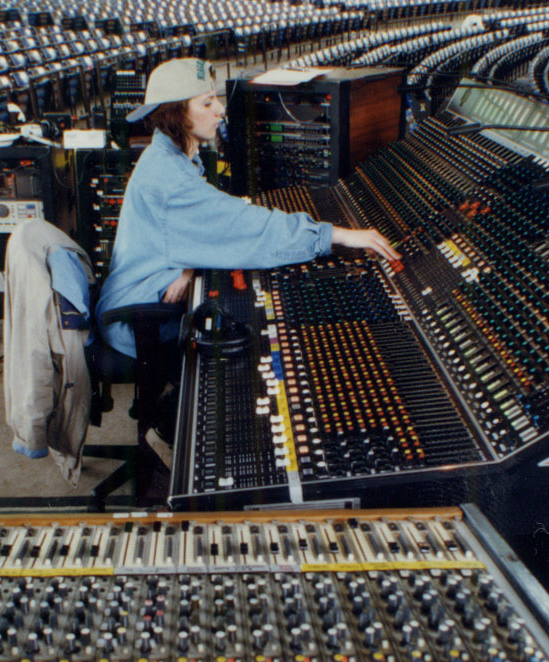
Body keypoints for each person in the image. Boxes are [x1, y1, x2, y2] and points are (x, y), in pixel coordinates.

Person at [95, 58, 400, 457]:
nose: (220, 110)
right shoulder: (169, 179)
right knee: (254, 340)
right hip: (139, 318)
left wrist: (190, 264)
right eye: (206, 103)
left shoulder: (172, 155)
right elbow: (250, 228)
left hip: (148, 294)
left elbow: (193, 226)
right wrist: (335, 234)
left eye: (216, 100)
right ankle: (173, 431)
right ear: (175, 114)